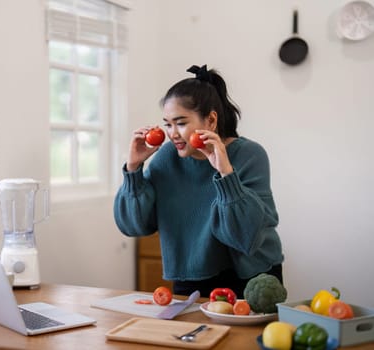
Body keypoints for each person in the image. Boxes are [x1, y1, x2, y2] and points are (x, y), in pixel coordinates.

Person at [113, 64, 284, 298]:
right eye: (167, 124)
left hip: (251, 277)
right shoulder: (166, 159)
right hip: (190, 276)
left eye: (181, 123)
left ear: (211, 120)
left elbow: (245, 237)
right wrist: (133, 170)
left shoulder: (250, 155)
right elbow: (134, 226)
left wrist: (226, 173)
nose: (172, 133)